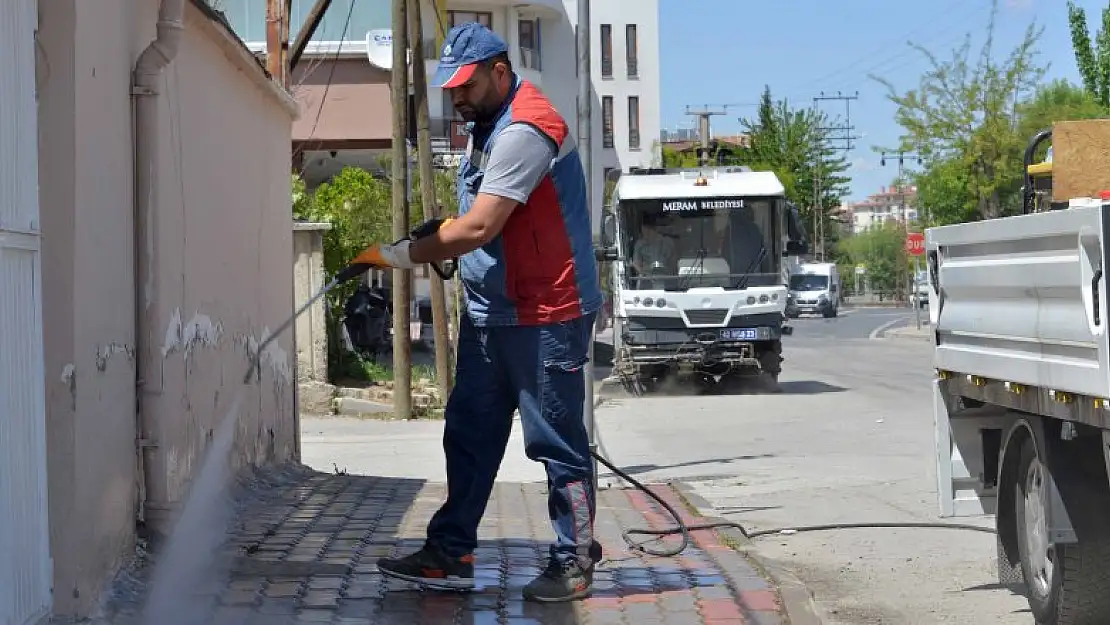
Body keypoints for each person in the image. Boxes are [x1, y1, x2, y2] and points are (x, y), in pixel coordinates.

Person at [356, 22, 604, 603]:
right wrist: (436, 234)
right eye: (452, 87)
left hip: (548, 312)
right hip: (492, 311)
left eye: (466, 85)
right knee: (468, 433)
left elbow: (480, 225)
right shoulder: (484, 125)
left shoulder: (526, 127)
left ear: (500, 71)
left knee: (556, 444)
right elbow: (477, 215)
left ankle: (574, 559)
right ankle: (450, 552)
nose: (457, 97)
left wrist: (403, 254)